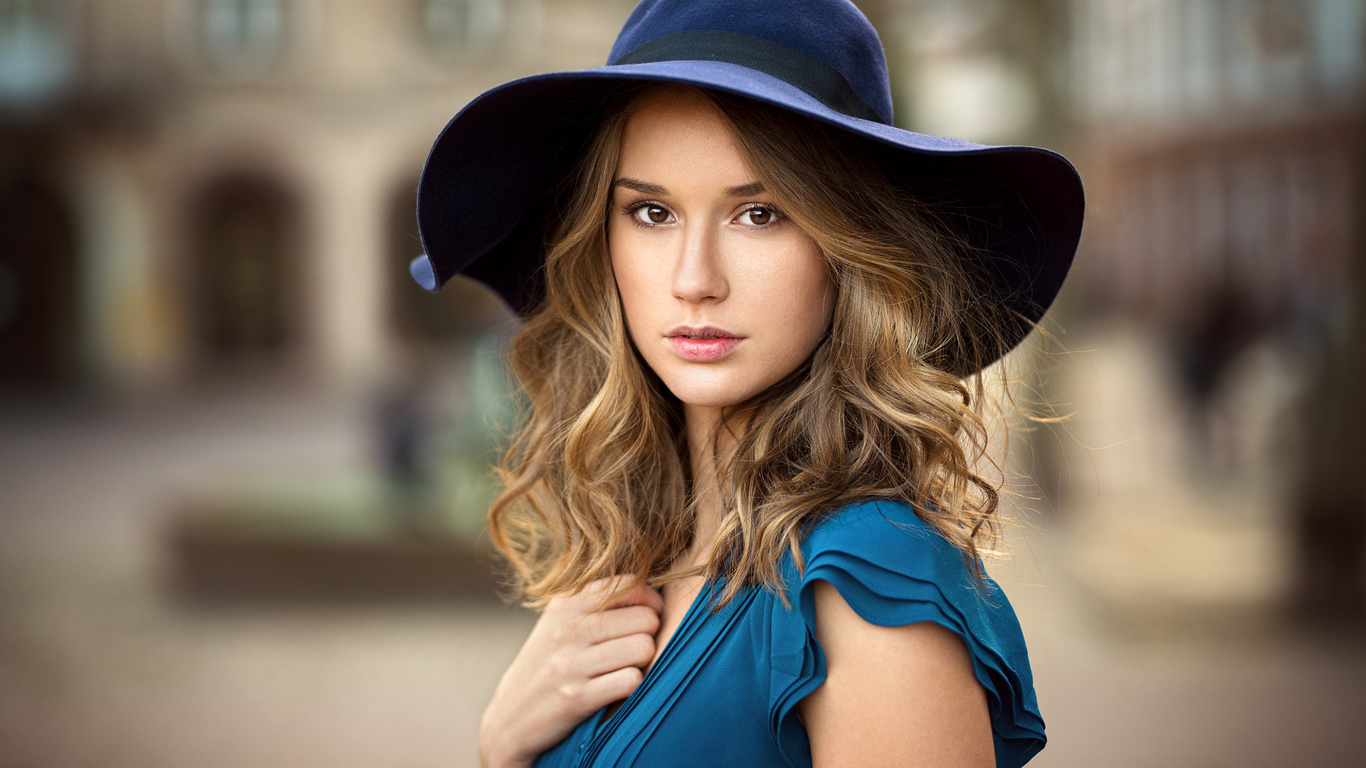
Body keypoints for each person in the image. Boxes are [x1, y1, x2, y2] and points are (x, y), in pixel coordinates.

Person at [411, 1, 1084, 766]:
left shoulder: (869, 582)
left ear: (848, 249)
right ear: (603, 241)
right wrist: (503, 742)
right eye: (652, 212)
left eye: (759, 214)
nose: (694, 279)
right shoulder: (640, 558)